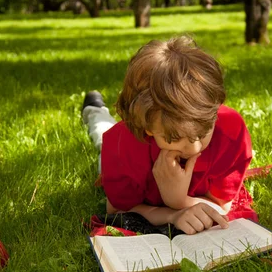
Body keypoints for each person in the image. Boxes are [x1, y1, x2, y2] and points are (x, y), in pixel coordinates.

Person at [82, 36, 255, 235]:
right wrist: (172, 215)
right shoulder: (123, 147)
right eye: (173, 138)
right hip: (124, 140)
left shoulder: (230, 132)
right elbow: (117, 210)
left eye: (203, 132)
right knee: (101, 132)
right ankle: (95, 110)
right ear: (147, 128)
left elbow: (222, 207)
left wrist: (180, 201)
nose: (194, 148)